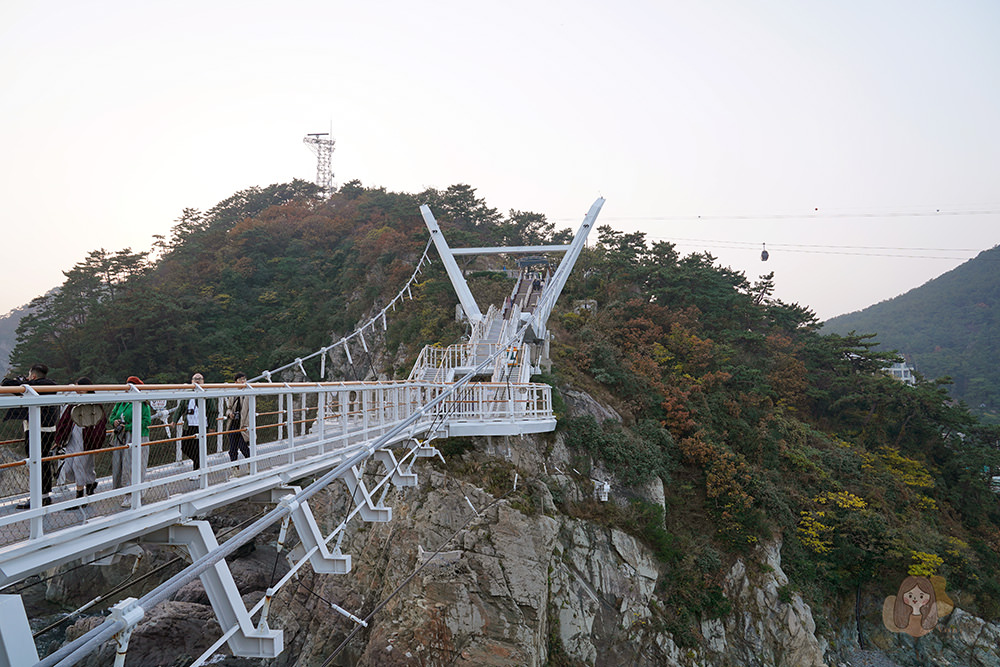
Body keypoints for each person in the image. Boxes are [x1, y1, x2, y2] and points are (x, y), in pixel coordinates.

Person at [13, 364, 59, 509]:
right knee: (43, 462)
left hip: (36, 429)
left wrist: (21, 381)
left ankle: (37, 498)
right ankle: (43, 496)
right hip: (49, 429)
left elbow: (7, 384)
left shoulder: (33, 386)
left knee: (34, 462)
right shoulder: (50, 386)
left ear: (33, 376)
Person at [53, 377, 105, 503]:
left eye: (79, 387)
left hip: (86, 438)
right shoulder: (74, 402)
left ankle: (80, 494)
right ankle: (90, 483)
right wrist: (58, 439)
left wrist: (96, 443)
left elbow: (100, 424)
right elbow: (64, 421)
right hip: (72, 437)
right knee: (70, 467)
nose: (77, 390)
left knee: (79, 465)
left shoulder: (94, 403)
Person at [108, 376, 151, 500]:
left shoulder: (142, 403)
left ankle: (133, 493)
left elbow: (146, 421)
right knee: (118, 463)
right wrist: (114, 422)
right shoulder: (121, 402)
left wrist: (128, 426)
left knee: (133, 464)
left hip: (137, 436)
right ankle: (121, 490)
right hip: (121, 436)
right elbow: (112, 416)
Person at [171, 372, 218, 470]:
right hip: (189, 425)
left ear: (203, 381)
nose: (197, 380)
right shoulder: (188, 393)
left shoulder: (206, 393)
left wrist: (212, 426)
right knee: (185, 447)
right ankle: (200, 464)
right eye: (195, 379)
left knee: (198, 449)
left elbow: (213, 411)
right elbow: (180, 408)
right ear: (191, 381)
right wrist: (174, 420)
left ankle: (197, 471)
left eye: (200, 379)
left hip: (201, 425)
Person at [224, 372, 251, 464]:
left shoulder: (249, 392)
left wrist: (246, 425)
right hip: (233, 424)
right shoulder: (233, 393)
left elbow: (250, 411)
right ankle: (235, 469)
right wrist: (230, 414)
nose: (243, 381)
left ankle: (251, 464)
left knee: (243, 447)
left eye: (244, 379)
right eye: (240, 380)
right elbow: (229, 408)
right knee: (232, 449)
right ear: (236, 382)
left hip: (243, 424)